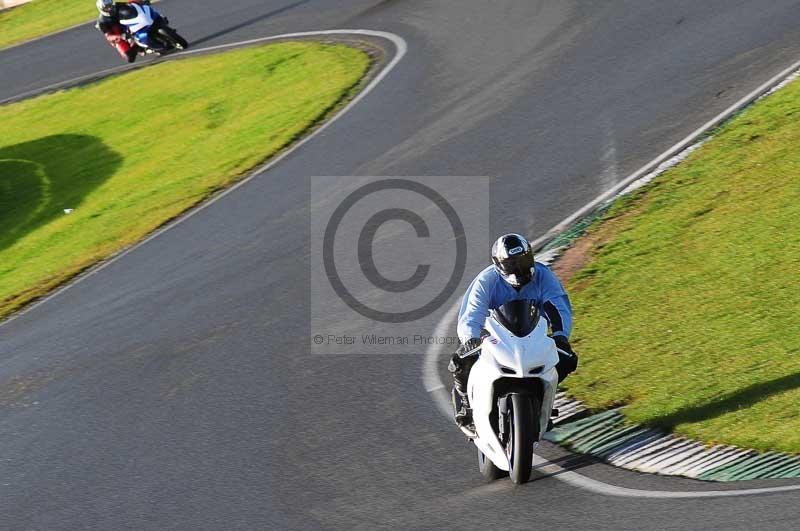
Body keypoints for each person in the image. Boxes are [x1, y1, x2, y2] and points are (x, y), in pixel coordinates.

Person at [449, 233, 579, 428]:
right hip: (490, 336)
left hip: (530, 334)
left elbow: (558, 308)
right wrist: (470, 339)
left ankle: (543, 402)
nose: (519, 269)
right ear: (499, 265)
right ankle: (466, 401)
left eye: (523, 261)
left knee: (567, 359)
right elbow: (472, 314)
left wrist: (561, 336)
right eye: (511, 264)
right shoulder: (486, 281)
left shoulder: (544, 277)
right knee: (461, 360)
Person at [96, 0, 164, 62]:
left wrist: (141, 2)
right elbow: (109, 37)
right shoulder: (102, 22)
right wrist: (120, 36)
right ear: (101, 9)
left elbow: (131, 6)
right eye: (107, 7)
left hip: (127, 24)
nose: (110, 8)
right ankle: (140, 48)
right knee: (130, 58)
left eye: (110, 5)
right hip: (118, 35)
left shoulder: (117, 5)